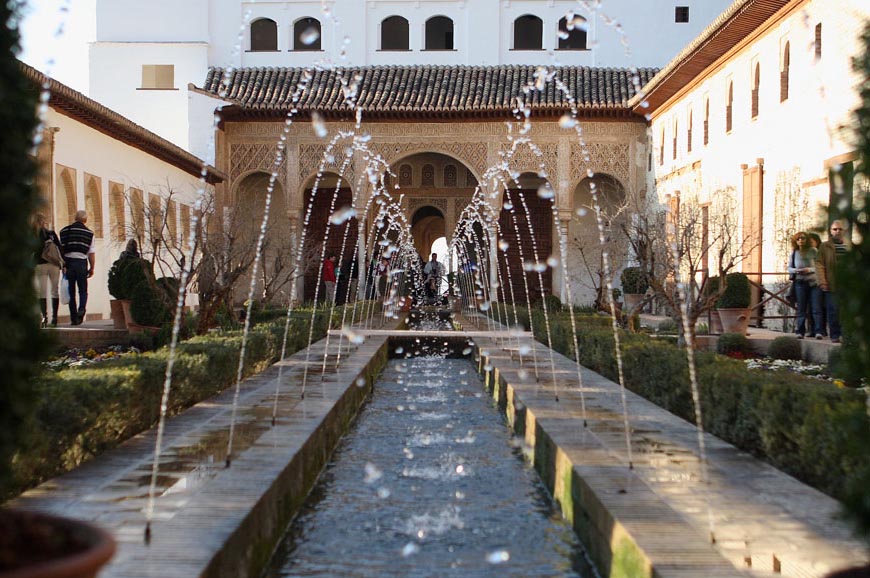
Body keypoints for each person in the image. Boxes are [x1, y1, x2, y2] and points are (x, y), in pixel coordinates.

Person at [59, 210, 96, 326]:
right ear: (85, 220)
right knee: (83, 290)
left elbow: (61, 250)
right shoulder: (89, 233)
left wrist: (63, 265)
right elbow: (91, 253)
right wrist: (92, 268)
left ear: (75, 218)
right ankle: (82, 309)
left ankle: (74, 318)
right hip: (81, 262)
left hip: (69, 262)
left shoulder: (64, 231)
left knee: (71, 291)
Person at [815, 220, 848, 343]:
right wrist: (822, 281)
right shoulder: (825, 246)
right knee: (833, 310)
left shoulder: (850, 245)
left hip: (847, 284)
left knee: (846, 311)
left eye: (840, 229)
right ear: (830, 231)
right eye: (835, 229)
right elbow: (819, 264)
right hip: (831, 283)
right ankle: (835, 335)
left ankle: (846, 335)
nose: (837, 231)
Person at [787, 232, 822, 340]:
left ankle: (818, 331)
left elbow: (819, 266)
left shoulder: (813, 251)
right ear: (795, 241)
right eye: (798, 239)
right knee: (801, 308)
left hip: (813, 283)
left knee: (816, 308)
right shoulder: (794, 253)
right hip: (800, 282)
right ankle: (800, 331)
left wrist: (809, 269)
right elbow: (789, 268)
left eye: (803, 238)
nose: (801, 240)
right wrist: (796, 270)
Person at [33, 213, 62, 327]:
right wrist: (63, 264)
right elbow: (59, 248)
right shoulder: (51, 234)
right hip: (54, 265)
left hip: (40, 265)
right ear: (44, 222)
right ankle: (54, 318)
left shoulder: (34, 235)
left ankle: (44, 317)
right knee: (54, 291)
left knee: (42, 292)